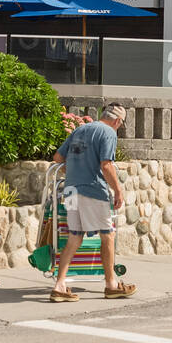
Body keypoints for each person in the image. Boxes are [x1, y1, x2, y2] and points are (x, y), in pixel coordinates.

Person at [50, 102, 133, 302]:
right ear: (118, 120)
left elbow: (58, 157)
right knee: (108, 235)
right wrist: (118, 191)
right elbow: (106, 165)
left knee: (74, 236)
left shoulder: (80, 129)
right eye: (120, 124)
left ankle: (60, 285)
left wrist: (75, 171)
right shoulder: (108, 133)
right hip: (92, 190)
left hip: (70, 190)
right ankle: (112, 284)